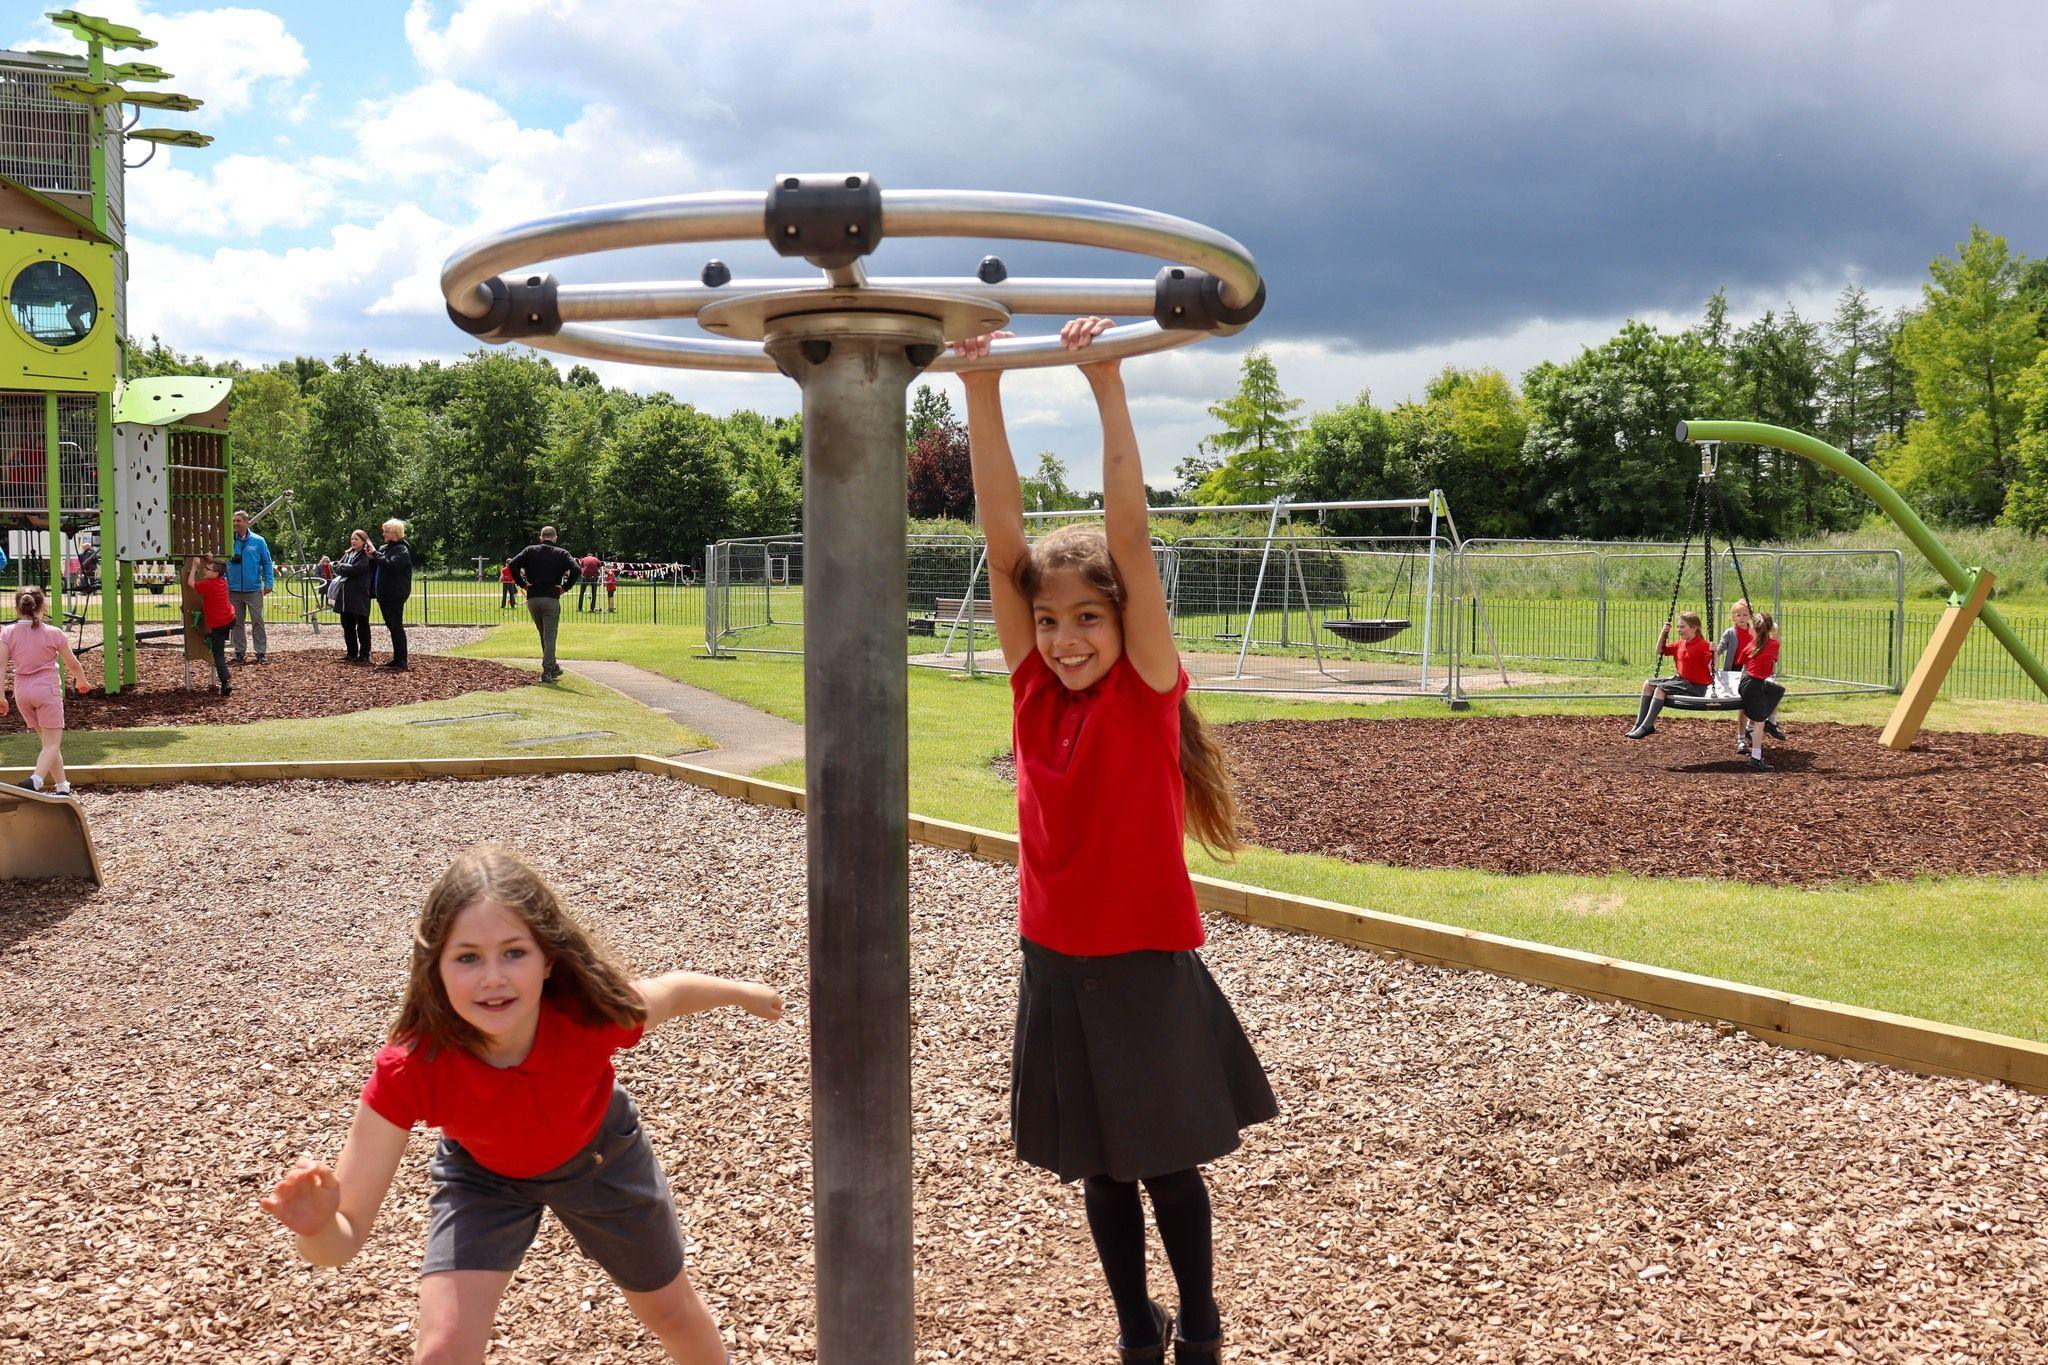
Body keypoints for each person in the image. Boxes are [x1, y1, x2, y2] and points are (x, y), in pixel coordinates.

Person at [958, 317, 1275, 1364]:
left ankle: (1202, 1322)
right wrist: (980, 384)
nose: (1064, 638)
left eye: (1087, 618)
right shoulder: (1030, 691)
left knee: (1166, 1163)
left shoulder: (1142, 694)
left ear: (1121, 621)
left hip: (1138, 958)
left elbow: (1128, 540)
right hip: (1053, 959)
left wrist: (1104, 382)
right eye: (1049, 621)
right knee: (1099, 1168)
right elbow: (1000, 534)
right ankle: (1136, 1329)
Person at [258, 846, 783, 1364]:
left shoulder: (589, 1016)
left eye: (514, 952)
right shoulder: (412, 1068)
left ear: (548, 960)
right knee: (442, 1353)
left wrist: (743, 994)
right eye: (467, 958)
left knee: (670, 1313)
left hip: (601, 1159)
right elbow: (340, 1244)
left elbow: (672, 992)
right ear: (435, 966)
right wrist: (318, 1227)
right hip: (484, 1178)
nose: (493, 977)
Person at [0, 587, 90, 795]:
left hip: (22, 692)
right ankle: (36, 779)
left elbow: (1, 665)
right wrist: (82, 681)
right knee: (51, 744)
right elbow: (73, 664)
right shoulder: (53, 633)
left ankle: (62, 786)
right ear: (43, 607)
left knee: (48, 743)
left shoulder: (7, 633)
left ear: (16, 608)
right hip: (46, 691)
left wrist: (1, 696)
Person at [507, 527, 580, 682]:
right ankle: (548, 671)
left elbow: (512, 565)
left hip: (533, 598)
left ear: (541, 538)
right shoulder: (562, 553)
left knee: (543, 633)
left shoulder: (529, 550)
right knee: (550, 635)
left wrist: (523, 584)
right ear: (555, 538)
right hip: (551, 598)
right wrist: (565, 588)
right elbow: (576, 569)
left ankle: (552, 666)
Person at [1625, 610, 1711, 739]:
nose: (1678, 629)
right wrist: (1663, 632)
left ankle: (1646, 726)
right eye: (1678, 626)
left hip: (1696, 686)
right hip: (1682, 682)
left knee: (1661, 689)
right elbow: (1659, 650)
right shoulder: (1680, 644)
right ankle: (1639, 724)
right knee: (1648, 684)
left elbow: (1712, 666)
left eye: (1682, 627)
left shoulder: (1703, 645)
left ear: (1694, 628)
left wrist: (1714, 652)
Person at [1736, 611, 1787, 771]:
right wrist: (1773, 630)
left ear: (1754, 629)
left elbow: (1743, 665)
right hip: (1755, 685)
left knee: (1777, 691)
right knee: (1759, 724)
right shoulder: (1774, 645)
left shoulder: (1750, 646)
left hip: (1747, 683)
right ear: (1770, 628)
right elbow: (1774, 642)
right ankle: (1755, 759)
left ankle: (1770, 723)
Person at [225, 509, 276, 665]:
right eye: (234, 521)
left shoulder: (258, 541)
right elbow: (220, 562)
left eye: (238, 521)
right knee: (236, 623)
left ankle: (260, 652)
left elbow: (267, 562)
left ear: (247, 522)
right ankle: (239, 652)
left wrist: (269, 583)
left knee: (257, 621)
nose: (235, 523)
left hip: (253, 589)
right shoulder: (228, 540)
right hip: (233, 589)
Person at [185, 554, 236, 697]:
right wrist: (209, 560)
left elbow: (190, 584)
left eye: (207, 569)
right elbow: (217, 568)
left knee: (218, 654)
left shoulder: (207, 585)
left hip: (219, 624)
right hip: (230, 620)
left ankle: (225, 683)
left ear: (215, 573)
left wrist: (194, 566)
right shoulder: (222, 581)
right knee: (215, 636)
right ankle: (211, 637)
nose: (204, 570)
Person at [373, 518, 413, 671]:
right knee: (392, 626)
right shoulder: (387, 548)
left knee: (396, 626)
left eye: (386, 531)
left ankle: (402, 661)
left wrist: (376, 555)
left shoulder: (401, 550)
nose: (383, 534)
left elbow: (392, 566)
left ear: (395, 533)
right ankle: (397, 659)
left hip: (395, 594)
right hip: (385, 594)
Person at [332, 530, 377, 665]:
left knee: (362, 625)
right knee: (347, 625)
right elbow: (337, 567)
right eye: (352, 539)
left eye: (356, 539)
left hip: (359, 595)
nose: (353, 542)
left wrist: (344, 567)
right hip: (345, 596)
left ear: (364, 541)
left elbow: (358, 569)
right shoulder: (348, 554)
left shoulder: (366, 555)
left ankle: (364, 654)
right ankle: (351, 652)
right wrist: (344, 567)